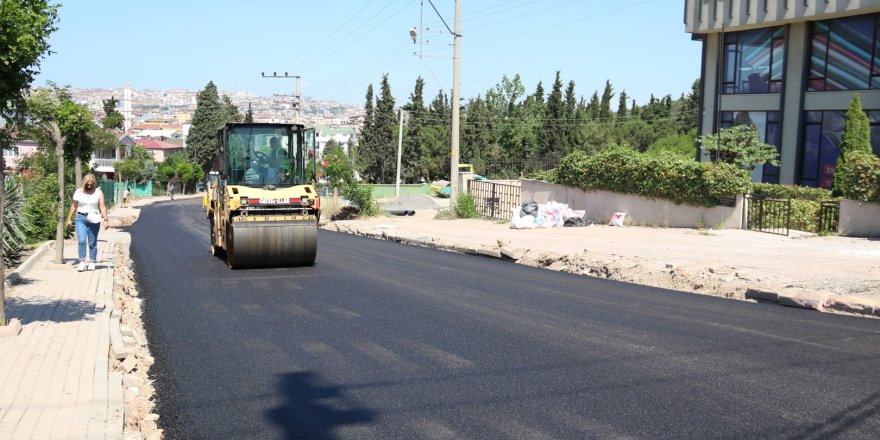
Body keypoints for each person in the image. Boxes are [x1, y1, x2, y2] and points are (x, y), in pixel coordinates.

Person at [65, 174, 109, 272]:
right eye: (87, 184)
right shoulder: (78, 192)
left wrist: (106, 220)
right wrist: (69, 219)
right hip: (81, 218)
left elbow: (102, 206)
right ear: (84, 183)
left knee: (92, 242)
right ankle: (82, 262)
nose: (89, 186)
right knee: (81, 240)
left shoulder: (99, 193)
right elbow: (73, 206)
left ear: (94, 184)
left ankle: (92, 262)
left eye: (91, 185)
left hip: (94, 218)